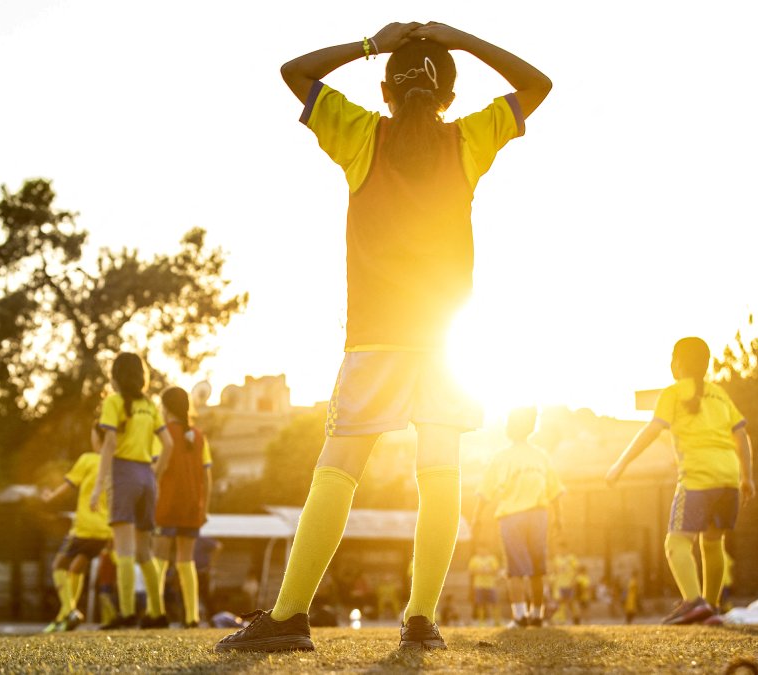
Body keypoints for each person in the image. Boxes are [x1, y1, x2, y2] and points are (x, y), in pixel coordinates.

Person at [213, 20, 550, 654]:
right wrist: (463, 41)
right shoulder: (468, 139)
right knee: (440, 474)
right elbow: (538, 85)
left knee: (338, 469)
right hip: (448, 343)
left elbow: (295, 72)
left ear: (386, 91)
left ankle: (289, 617)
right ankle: (420, 622)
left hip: (377, 338)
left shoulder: (364, 133)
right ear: (449, 94)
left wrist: (373, 43)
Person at [606, 337, 756, 625]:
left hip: (698, 478)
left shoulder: (673, 393)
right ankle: (710, 607)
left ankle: (692, 602)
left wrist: (620, 464)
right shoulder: (720, 394)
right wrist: (746, 476)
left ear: (676, 364)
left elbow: (651, 431)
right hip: (728, 478)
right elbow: (741, 435)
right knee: (713, 543)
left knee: (676, 542)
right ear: (707, 365)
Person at [91, 352, 173, 629]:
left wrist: (98, 484)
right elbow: (169, 445)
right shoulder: (150, 406)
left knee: (124, 550)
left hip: (123, 473)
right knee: (144, 552)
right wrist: (154, 475)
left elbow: (109, 444)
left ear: (115, 377)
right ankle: (157, 614)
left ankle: (126, 614)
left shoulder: (112, 402)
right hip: (146, 475)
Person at [473, 407, 563, 628]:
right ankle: (537, 616)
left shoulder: (502, 457)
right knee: (537, 569)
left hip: (513, 518)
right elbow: (555, 492)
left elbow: (485, 492)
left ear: (510, 428)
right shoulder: (541, 456)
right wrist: (559, 517)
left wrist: (476, 517)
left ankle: (520, 616)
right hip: (538, 516)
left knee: (517, 570)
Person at [40, 423, 112, 632]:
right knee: (76, 569)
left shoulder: (88, 459)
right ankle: (64, 617)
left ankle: (69, 611)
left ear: (97, 439)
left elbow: (68, 486)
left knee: (58, 566)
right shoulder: (115, 464)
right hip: (104, 530)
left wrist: (49, 497)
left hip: (85, 527)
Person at [152, 386, 213, 629]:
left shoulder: (161, 434)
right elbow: (208, 478)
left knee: (159, 558)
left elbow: (156, 469)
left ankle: (154, 612)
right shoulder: (199, 436)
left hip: (165, 505)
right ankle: (192, 617)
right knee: (186, 561)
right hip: (191, 507)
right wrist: (204, 508)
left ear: (165, 408)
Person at [467, 544, 501, 626]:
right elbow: (470, 571)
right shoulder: (474, 559)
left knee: (495, 603)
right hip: (478, 585)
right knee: (480, 604)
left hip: (491, 585)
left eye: (483, 548)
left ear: (487, 549)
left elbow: (496, 570)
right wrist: (480, 571)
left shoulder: (492, 558)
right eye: (480, 549)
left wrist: (488, 571)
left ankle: (497, 621)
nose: (481, 551)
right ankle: (481, 622)